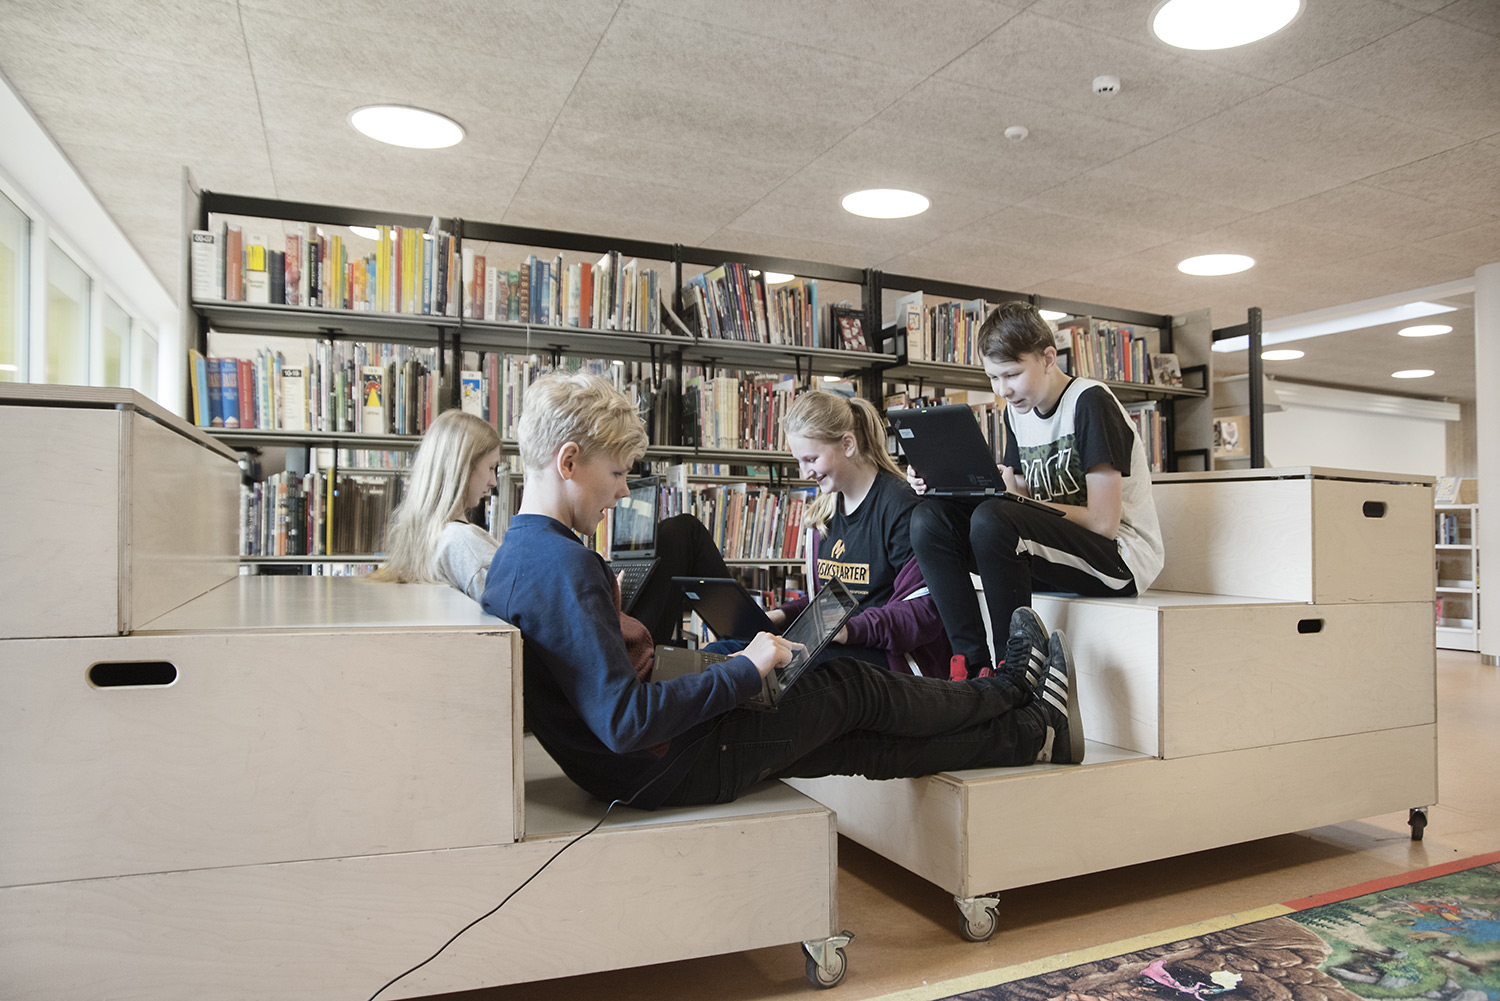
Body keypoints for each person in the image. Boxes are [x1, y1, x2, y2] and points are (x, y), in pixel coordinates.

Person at [481, 371, 1085, 813]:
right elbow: (625, 721)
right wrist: (743, 670)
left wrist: (725, 661)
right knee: (849, 687)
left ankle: (1035, 733)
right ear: (568, 462)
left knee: (852, 739)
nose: (620, 492)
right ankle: (1013, 688)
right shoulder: (565, 566)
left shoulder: (518, 555)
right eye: (616, 473)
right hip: (669, 765)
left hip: (637, 770)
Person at [909, 300, 1164, 679]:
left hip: (1118, 561)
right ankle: (972, 667)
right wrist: (948, 483)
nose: (1004, 390)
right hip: (1050, 552)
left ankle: (1011, 673)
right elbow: (1022, 500)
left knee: (994, 519)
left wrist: (1012, 506)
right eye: (993, 378)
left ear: (1047, 358)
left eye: (1012, 374)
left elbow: (1104, 523)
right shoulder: (1018, 414)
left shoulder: (1090, 402)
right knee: (929, 519)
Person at [374, 406, 732, 644]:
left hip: (580, 633)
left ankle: (750, 640)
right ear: (461, 468)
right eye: (491, 468)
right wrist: (601, 599)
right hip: (587, 641)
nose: (494, 482)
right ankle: (755, 640)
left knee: (673, 539)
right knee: (682, 533)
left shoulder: (432, 539)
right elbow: (530, 612)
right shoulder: (460, 541)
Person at [755, 389, 952, 676]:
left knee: (786, 672)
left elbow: (924, 611)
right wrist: (781, 615)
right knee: (734, 651)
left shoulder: (902, 507)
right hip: (843, 647)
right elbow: (831, 602)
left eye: (811, 459)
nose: (804, 473)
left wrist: (848, 629)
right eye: (799, 461)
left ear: (848, 444)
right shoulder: (825, 511)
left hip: (893, 661)